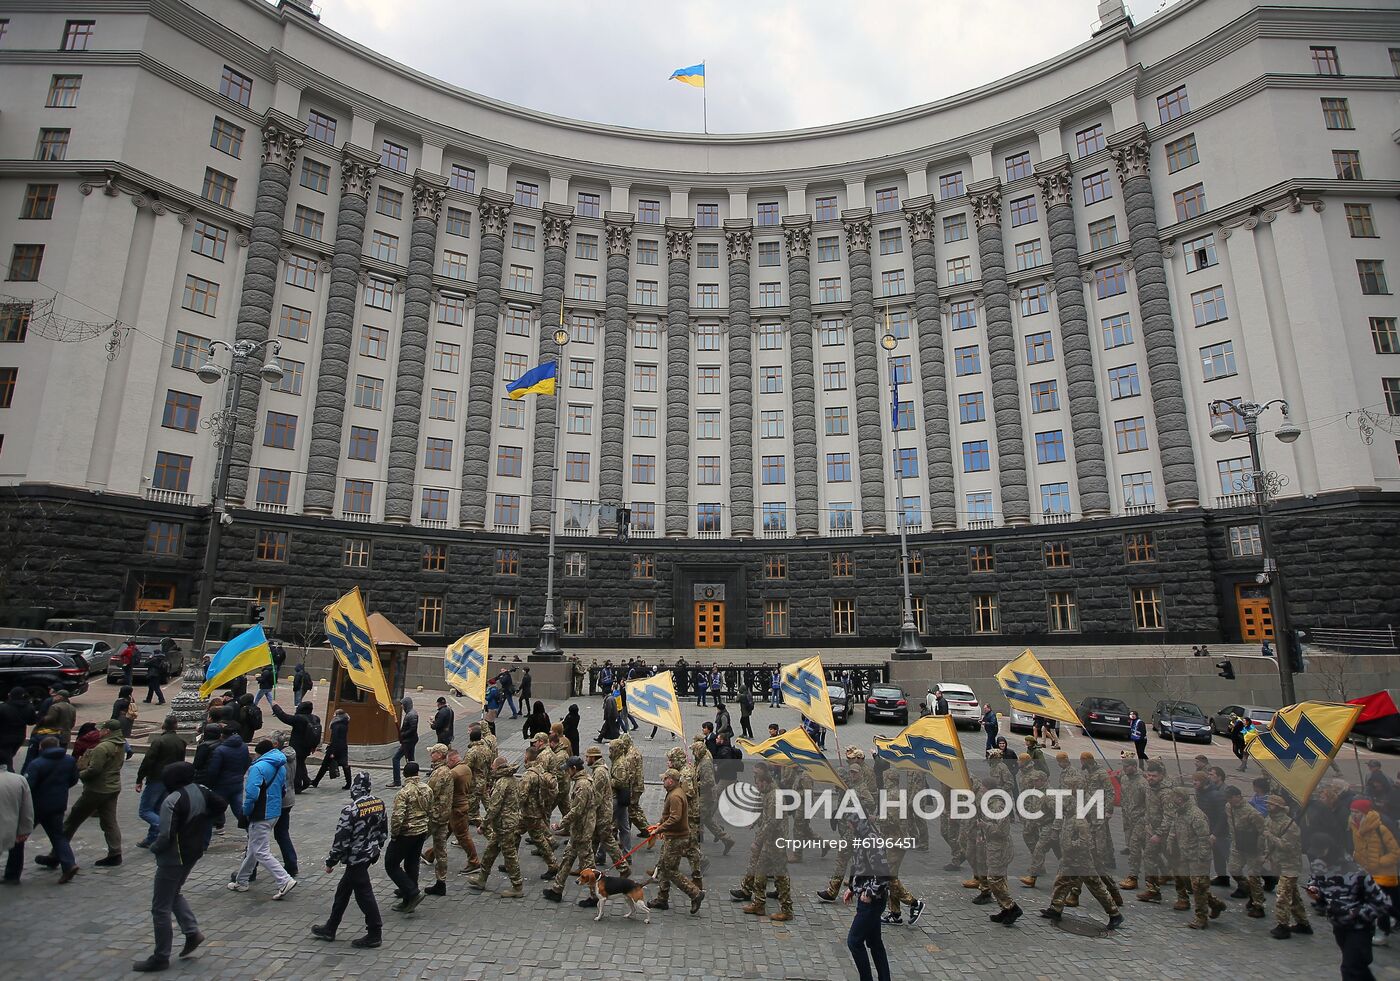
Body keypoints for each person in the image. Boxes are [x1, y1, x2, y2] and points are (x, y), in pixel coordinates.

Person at [132, 762, 217, 972]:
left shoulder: (173, 800)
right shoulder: (201, 790)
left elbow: (166, 834)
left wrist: (155, 848)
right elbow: (221, 804)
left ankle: (161, 956)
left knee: (160, 907)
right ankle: (191, 931)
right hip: (193, 850)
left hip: (174, 856)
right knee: (174, 893)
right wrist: (202, 824)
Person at [312, 772, 387, 949]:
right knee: (343, 890)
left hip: (356, 858)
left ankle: (375, 932)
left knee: (364, 894)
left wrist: (331, 861)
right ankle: (331, 927)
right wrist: (377, 849)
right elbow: (383, 831)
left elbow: (341, 840)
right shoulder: (379, 803)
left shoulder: (351, 810)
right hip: (369, 854)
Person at [1308, 844, 1395, 980]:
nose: (1317, 858)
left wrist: (1354, 913)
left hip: (1359, 928)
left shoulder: (1356, 872)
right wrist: (1315, 892)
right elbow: (1315, 884)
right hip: (1339, 925)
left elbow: (1382, 903)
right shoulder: (1320, 866)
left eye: (1321, 853)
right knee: (1358, 969)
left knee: (1350, 968)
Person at [228, 738, 295, 899]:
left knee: (260, 851)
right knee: (253, 848)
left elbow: (251, 794)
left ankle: (284, 879)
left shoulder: (257, 768)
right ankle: (242, 881)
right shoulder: (280, 765)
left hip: (261, 813)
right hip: (275, 811)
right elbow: (283, 789)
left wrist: (246, 812)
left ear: (259, 753)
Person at [58, 718, 125, 867]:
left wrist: (77, 776)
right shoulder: (120, 745)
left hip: (97, 788)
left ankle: (57, 852)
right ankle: (115, 853)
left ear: (107, 731)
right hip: (113, 787)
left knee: (73, 819)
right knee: (109, 821)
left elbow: (94, 770)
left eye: (101, 729)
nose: (99, 732)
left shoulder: (102, 747)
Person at [22, 736, 77, 883]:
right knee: (58, 836)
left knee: (20, 835)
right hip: (58, 804)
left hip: (37, 806)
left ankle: (13, 871)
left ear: (41, 747)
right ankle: (69, 864)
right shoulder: (69, 761)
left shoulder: (37, 763)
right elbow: (73, 779)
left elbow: (28, 786)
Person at [650, 767, 705, 913]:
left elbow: (675, 818)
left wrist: (660, 829)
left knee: (671, 870)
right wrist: (660, 823)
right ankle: (662, 899)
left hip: (677, 838)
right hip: (673, 836)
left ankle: (695, 893)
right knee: (662, 865)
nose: (662, 781)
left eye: (664, 779)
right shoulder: (675, 792)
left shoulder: (675, 796)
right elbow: (668, 815)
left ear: (671, 780)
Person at [845, 816, 893, 981]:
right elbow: (858, 864)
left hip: (872, 901)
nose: (847, 826)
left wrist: (870, 893)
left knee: (854, 941)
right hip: (866, 898)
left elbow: (884, 874)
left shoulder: (871, 840)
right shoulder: (861, 836)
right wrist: (852, 887)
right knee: (874, 943)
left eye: (849, 822)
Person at [384, 761, 432, 912]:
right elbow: (430, 808)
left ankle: (411, 892)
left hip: (406, 833)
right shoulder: (427, 788)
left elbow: (398, 817)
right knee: (412, 863)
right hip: (422, 831)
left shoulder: (403, 792)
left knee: (391, 864)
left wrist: (394, 834)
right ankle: (408, 899)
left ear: (404, 774)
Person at [1349, 798, 1399, 944]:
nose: (1354, 815)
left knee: (1390, 904)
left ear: (1365, 812)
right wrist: (1356, 856)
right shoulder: (1354, 826)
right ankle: (1381, 930)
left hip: (1385, 873)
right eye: (1352, 812)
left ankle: (1384, 931)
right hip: (1368, 871)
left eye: (1356, 812)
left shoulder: (1380, 828)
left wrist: (1379, 863)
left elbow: (1395, 853)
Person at [1264, 793, 1312, 939]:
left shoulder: (1289, 825)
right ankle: (1303, 923)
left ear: (1278, 807)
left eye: (1271, 804)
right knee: (1293, 895)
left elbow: (1287, 846)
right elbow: (1269, 844)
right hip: (1278, 863)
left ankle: (1282, 926)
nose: (1268, 806)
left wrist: (1270, 836)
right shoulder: (1269, 821)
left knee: (1282, 896)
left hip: (1290, 865)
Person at [135, 715, 188, 849]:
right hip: (172, 780)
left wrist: (140, 778)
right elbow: (181, 762)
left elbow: (148, 761)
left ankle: (166, 827)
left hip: (157, 778)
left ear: (164, 726)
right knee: (158, 808)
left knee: (145, 810)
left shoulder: (159, 741)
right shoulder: (181, 741)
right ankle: (152, 838)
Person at [420, 744, 454, 897]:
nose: (430, 755)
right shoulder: (446, 770)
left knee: (413, 845)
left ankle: (409, 885)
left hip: (434, 816)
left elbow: (429, 793)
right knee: (441, 850)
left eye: (432, 752)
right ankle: (441, 883)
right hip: (444, 815)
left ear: (439, 755)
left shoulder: (439, 773)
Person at [271, 700, 319, 794]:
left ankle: (298, 785)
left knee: (297, 765)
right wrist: (314, 745)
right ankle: (306, 780)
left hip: (298, 746)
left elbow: (283, 717)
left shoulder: (299, 719)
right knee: (301, 763)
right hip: (308, 746)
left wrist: (275, 706)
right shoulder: (315, 718)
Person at [207, 726, 250, 827]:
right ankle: (250, 828)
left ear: (222, 735)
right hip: (238, 782)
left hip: (222, 784)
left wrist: (210, 783)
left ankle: (216, 827)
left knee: (215, 808)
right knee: (238, 808)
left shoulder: (220, 750)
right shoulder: (243, 746)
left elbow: (214, 770)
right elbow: (246, 762)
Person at [0, 766, 33, 886]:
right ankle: (13, 875)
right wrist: (26, 828)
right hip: (12, 825)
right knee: (17, 847)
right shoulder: (19, 780)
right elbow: (27, 807)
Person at [313, 709, 352, 790]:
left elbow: (335, 738)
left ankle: (316, 781)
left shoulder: (336, 725)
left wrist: (332, 752)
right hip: (343, 747)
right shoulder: (345, 723)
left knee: (324, 765)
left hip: (334, 748)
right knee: (345, 765)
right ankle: (349, 783)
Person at [0, 686, 36, 772]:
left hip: (4, 736)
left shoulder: (3, 707)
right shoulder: (29, 707)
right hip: (19, 736)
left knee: (6, 758)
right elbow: (31, 721)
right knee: (9, 755)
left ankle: (9, 773)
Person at [389, 697, 419, 788]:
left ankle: (397, 780)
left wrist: (403, 735)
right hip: (410, 739)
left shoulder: (412, 715)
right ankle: (413, 779)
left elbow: (412, 729)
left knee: (396, 758)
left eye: (402, 704)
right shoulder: (410, 714)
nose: (401, 706)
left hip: (408, 740)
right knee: (410, 760)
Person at [112, 685, 136, 759]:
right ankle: (127, 749)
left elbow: (115, 713)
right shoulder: (130, 700)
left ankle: (127, 750)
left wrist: (111, 721)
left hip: (120, 719)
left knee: (116, 735)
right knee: (121, 736)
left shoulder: (119, 702)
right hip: (129, 719)